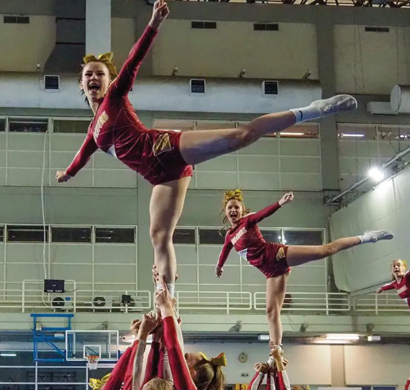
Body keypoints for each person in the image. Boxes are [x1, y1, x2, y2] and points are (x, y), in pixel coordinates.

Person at [56, 0, 359, 299]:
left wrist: (154, 25)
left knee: (240, 137)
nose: (94, 78)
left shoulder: (115, 98)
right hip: (159, 178)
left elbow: (133, 62)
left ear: (109, 82)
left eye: (99, 74)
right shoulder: (93, 132)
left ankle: (311, 111)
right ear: (80, 85)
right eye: (88, 75)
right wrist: (67, 173)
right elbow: (82, 155)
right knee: (159, 236)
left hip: (167, 148)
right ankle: (169, 298)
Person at [217, 190, 392, 352]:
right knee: (271, 312)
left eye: (236, 207)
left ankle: (367, 237)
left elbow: (264, 213)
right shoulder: (230, 236)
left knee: (325, 250)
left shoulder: (247, 220)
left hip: (277, 255)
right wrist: (220, 266)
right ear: (225, 211)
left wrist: (280, 203)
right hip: (270, 272)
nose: (233, 210)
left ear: (241, 209)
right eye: (230, 207)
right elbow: (225, 250)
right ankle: (276, 351)